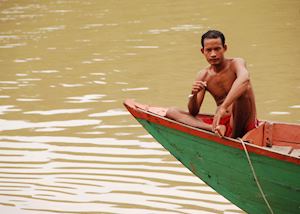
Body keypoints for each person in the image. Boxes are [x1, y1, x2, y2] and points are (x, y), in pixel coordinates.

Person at [166, 30, 257, 138]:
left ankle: (233, 137)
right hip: (220, 123)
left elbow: (244, 78)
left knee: (244, 90)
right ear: (202, 51)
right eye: (208, 50)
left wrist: (224, 107)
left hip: (242, 123)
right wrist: (193, 94)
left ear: (225, 48)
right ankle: (213, 129)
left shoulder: (236, 63)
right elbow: (193, 112)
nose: (213, 54)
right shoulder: (203, 75)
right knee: (171, 112)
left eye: (217, 49)